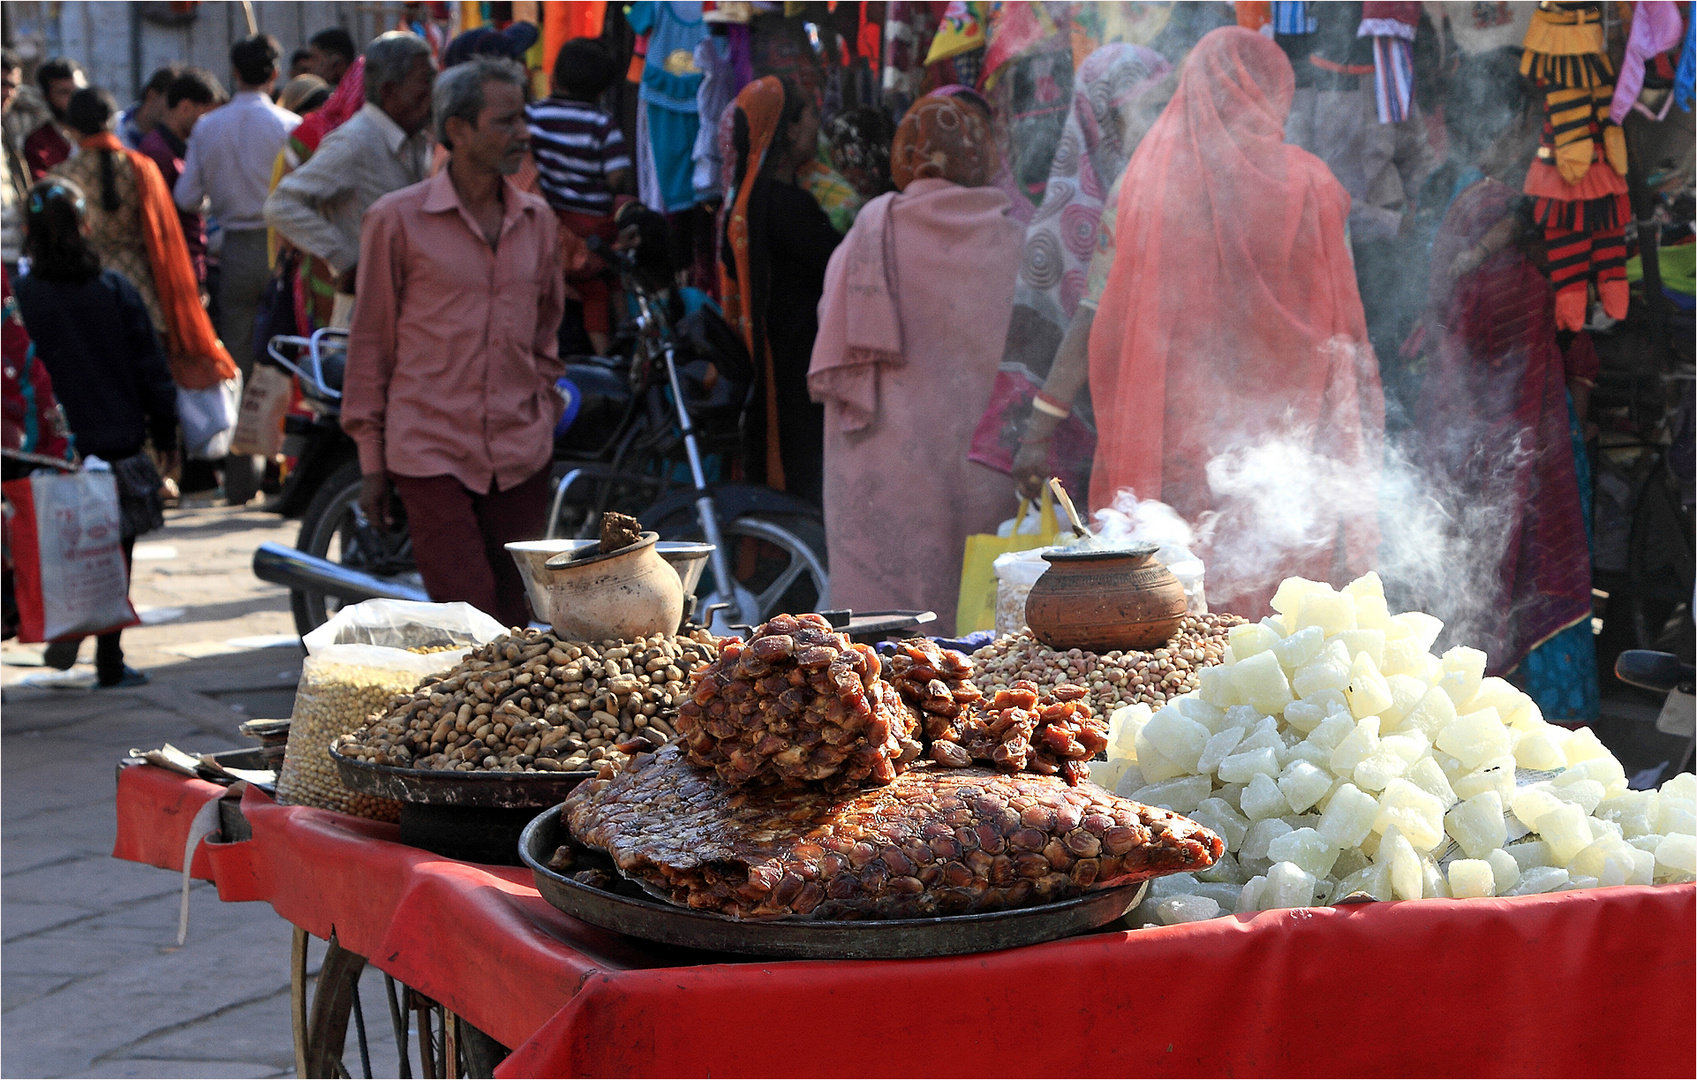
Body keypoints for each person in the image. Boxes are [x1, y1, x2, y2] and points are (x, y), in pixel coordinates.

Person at [1072, 27, 1385, 616]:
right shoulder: (1317, 186)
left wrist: (1049, 413)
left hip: (1178, 446)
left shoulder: (1143, 183)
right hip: (1292, 446)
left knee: (1179, 611)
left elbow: (1105, 324)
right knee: (1286, 627)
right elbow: (1346, 335)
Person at [344, 56, 564, 628]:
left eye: (523, 119)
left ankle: (508, 721)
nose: (522, 134)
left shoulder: (538, 222)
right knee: (466, 617)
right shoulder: (396, 222)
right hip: (430, 449)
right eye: (505, 121)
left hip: (520, 451)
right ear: (458, 130)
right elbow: (371, 345)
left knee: (520, 621)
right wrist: (372, 461)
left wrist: (543, 407)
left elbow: (546, 335)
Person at [1412, 89, 1599, 722]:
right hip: (1517, 425)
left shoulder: (1468, 201)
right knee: (1525, 563)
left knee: (1494, 563)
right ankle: (1538, 722)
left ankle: (1501, 720)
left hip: (1492, 423)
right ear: (1512, 125)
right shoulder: (1488, 206)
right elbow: (1495, 325)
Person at [809, 92, 1022, 635]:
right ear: (982, 153)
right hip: (984, 460)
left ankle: (882, 712)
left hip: (883, 451)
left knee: (887, 627)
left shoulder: (870, 231)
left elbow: (831, 324)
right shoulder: (1014, 237)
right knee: (982, 620)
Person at [979, 43, 1174, 500]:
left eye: (1165, 104)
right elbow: (1078, 325)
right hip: (1093, 434)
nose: (1159, 123)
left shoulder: (1174, 184)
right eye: (1141, 110)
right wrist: (1039, 434)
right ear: (1100, 118)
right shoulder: (1059, 226)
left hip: (1164, 416)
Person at [14, 180, 178, 688]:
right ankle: (109, 658)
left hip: (42, 449)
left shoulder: (20, 297)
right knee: (114, 549)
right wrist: (167, 430)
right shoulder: (114, 289)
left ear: (28, 234)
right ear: (86, 227)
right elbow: (151, 367)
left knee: (29, 551)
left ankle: (53, 624)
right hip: (115, 441)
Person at [175, 33, 299, 505]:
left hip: (231, 250)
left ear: (234, 73)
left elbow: (186, 198)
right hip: (281, 248)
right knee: (286, 361)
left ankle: (241, 480)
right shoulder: (292, 124)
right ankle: (281, 474)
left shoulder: (208, 127)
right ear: (274, 74)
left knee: (238, 365)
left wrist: (220, 202)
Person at [49, 88, 234, 397]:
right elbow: (166, 237)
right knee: (147, 379)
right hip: (141, 288)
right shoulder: (142, 168)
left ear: (70, 128)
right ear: (111, 122)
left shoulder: (60, 178)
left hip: (83, 288)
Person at [719, 76, 840, 505]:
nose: (817, 126)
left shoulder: (743, 203)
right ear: (788, 128)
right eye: (810, 115)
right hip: (797, 369)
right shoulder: (791, 207)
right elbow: (839, 266)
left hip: (772, 365)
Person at [265, 32, 434, 311]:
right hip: (368, 307)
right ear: (390, 90)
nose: (432, 90)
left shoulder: (416, 139)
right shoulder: (356, 141)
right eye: (424, 80)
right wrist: (348, 259)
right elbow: (281, 204)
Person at [527, 37, 631, 354]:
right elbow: (617, 177)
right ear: (602, 89)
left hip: (557, 215)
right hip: (595, 221)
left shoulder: (533, 116)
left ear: (555, 77)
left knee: (592, 285)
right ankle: (611, 353)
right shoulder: (602, 123)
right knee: (606, 284)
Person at [137, 69, 225, 288]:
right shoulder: (157, 154)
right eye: (207, 116)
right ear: (185, 107)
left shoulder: (178, 150)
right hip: (176, 269)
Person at [24, 57, 85, 180]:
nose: (74, 99)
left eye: (78, 91)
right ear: (47, 97)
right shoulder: (38, 144)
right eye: (64, 92)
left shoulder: (104, 136)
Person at [2, 49, 29, 279]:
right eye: (2, 84)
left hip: (14, 255)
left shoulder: (7, 130)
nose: (8, 93)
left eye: (13, 86)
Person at [118, 65, 183, 149]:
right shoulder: (112, 129)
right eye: (172, 102)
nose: (177, 110)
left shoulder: (176, 146)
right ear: (151, 96)